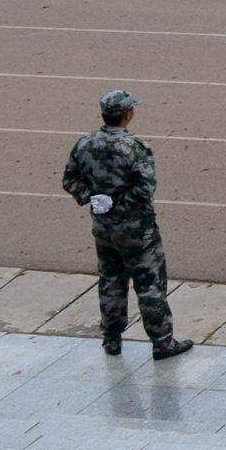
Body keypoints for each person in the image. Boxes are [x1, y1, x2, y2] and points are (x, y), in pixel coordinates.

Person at [59, 88, 190, 360]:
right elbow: (145, 188)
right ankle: (162, 342)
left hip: (104, 229)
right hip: (137, 232)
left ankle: (111, 338)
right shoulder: (134, 147)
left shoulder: (85, 144)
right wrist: (119, 205)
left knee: (111, 281)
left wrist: (93, 198)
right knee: (150, 285)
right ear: (128, 114)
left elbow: (70, 179)